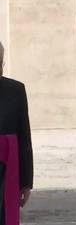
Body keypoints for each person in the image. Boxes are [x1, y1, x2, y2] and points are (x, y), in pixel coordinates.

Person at [0, 41, 33, 225]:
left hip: (8, 174)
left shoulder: (16, 90)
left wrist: (26, 182)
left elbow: (24, 138)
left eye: (0, 62)